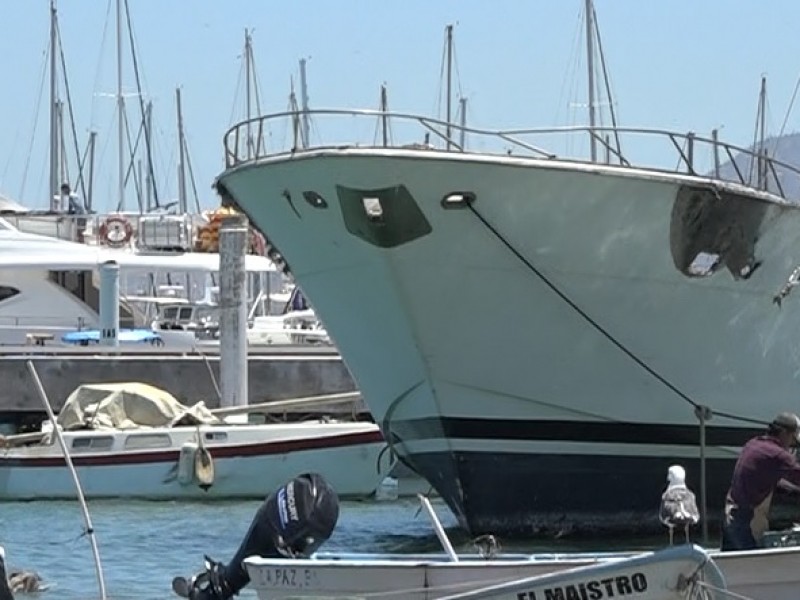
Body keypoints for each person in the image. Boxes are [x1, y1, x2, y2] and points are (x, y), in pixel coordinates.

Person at [720, 412, 800, 551]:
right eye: (793, 440)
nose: (792, 445)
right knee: (752, 567)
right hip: (744, 521)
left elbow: (768, 479)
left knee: (730, 568)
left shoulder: (754, 444)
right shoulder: (778, 455)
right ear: (784, 433)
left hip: (730, 515)